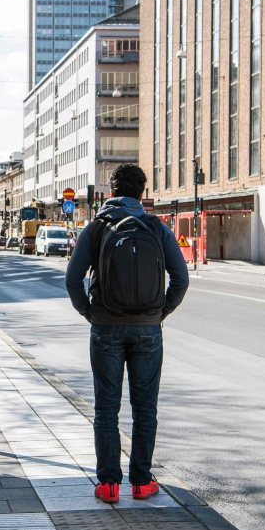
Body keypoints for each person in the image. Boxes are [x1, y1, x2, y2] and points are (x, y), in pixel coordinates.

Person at [65, 164, 189, 504]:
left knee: (106, 407)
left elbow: (73, 280)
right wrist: (160, 312)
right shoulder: (156, 227)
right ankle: (141, 481)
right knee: (145, 407)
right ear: (142, 194)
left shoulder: (96, 229)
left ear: (110, 192)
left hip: (105, 327)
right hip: (148, 329)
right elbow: (181, 279)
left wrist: (89, 312)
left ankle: (108, 485)